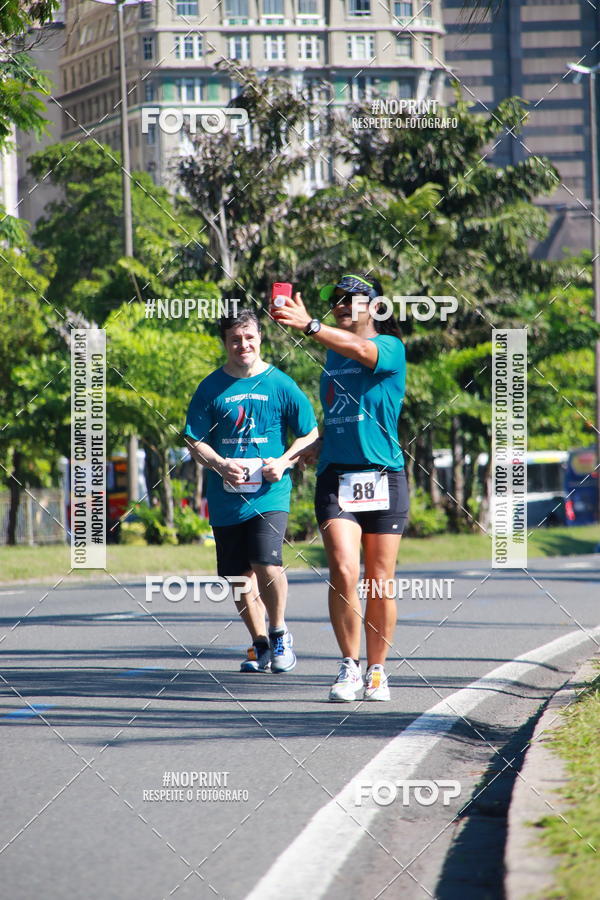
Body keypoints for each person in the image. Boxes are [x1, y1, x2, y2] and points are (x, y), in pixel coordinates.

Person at [274, 274, 408, 701]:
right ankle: (349, 666)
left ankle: (377, 671)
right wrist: (312, 448)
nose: (343, 305)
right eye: (335, 301)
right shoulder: (331, 358)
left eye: (352, 299)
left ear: (375, 307)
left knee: (380, 580)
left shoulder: (388, 348)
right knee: (344, 571)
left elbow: (363, 350)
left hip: (383, 475)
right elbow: (338, 416)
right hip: (338, 477)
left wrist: (311, 326)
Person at [184, 308, 318, 674]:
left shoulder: (280, 383)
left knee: (267, 561)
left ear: (260, 339)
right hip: (226, 497)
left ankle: (279, 633)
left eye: (249, 337)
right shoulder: (211, 387)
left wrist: (286, 461)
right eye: (235, 339)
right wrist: (219, 463)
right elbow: (194, 440)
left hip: (269, 494)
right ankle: (259, 644)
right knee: (238, 576)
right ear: (225, 343)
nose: (243, 345)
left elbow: (311, 432)